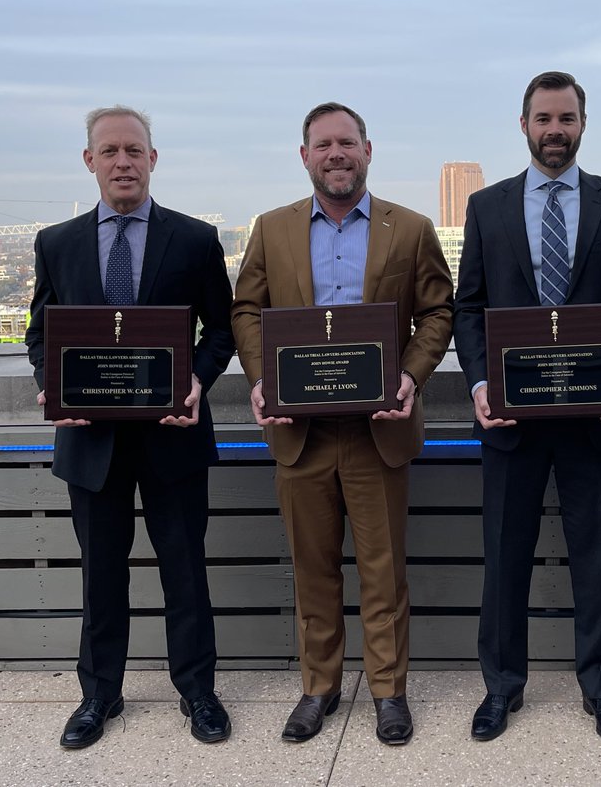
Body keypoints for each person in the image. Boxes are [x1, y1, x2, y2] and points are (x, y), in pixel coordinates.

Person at [453, 71, 601, 746]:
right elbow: (469, 307)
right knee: (504, 557)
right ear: (524, 125)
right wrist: (482, 385)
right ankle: (501, 688)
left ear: (582, 124)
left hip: (594, 418)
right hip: (510, 419)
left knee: (598, 558)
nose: (555, 131)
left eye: (567, 118)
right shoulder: (487, 207)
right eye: (544, 119)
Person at [231, 102, 453, 746]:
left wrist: (408, 377)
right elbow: (246, 308)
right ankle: (319, 687)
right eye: (323, 144)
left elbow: (438, 311)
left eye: (347, 143)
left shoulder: (407, 229)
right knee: (313, 566)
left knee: (384, 570)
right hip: (300, 431)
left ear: (368, 150)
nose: (336, 154)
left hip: (375, 430)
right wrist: (260, 376)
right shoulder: (271, 229)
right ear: (305, 156)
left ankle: (388, 691)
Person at [25, 105, 235, 748]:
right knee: (101, 574)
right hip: (91, 438)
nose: (123, 162)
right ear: (90, 161)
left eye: (134, 151)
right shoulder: (55, 243)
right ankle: (99, 696)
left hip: (173, 432)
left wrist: (196, 379)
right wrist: (50, 383)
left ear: (152, 159)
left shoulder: (197, 239)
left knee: (185, 569)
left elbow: (222, 329)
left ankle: (198, 692)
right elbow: (41, 334)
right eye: (110, 151)